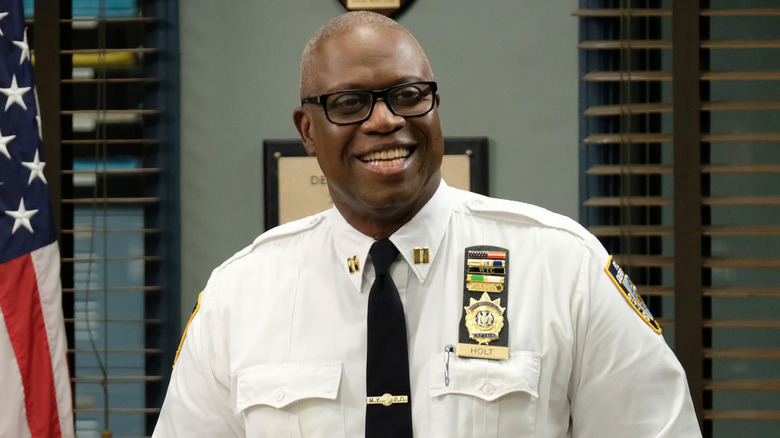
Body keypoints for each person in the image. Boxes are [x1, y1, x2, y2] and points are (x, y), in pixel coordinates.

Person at [153, 11, 701, 437]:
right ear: (307, 130)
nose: (386, 120)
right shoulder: (239, 299)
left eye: (408, 95)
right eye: (348, 103)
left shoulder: (561, 268)